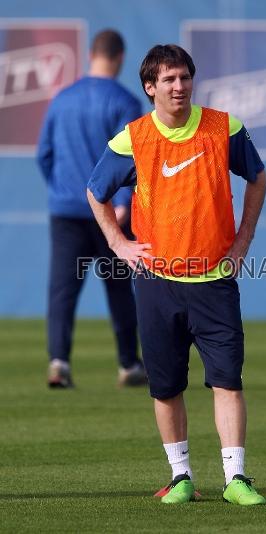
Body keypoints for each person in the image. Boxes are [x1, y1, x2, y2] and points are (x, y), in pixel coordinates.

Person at [87, 44, 266, 505]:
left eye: (184, 77)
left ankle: (236, 480)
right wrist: (118, 243)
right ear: (150, 88)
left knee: (228, 380)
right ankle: (181, 476)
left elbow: (258, 178)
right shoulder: (133, 138)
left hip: (214, 281)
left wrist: (242, 242)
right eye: (168, 79)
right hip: (157, 284)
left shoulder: (223, 127)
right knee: (165, 385)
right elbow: (96, 190)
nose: (178, 86)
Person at [37, 29, 146, 388]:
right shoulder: (126, 102)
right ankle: (129, 365)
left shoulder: (62, 98)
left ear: (90, 55)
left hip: (67, 210)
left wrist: (61, 191)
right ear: (119, 57)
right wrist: (121, 203)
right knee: (119, 288)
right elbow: (130, 160)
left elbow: (45, 155)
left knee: (62, 291)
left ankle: (59, 363)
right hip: (110, 214)